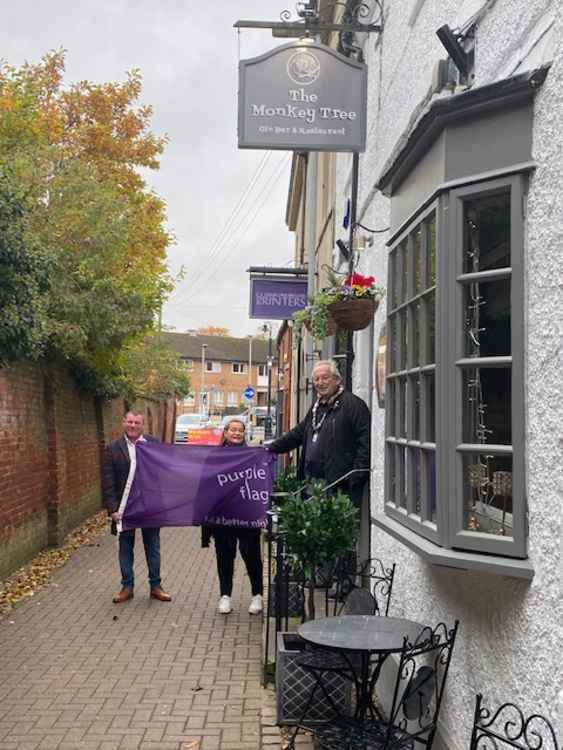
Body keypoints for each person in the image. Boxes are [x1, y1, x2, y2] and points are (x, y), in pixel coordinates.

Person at [269, 360, 370, 505]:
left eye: (325, 377)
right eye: (316, 379)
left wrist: (356, 478)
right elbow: (298, 433)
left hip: (338, 486)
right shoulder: (317, 407)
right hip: (311, 483)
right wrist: (272, 448)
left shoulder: (353, 405)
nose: (320, 382)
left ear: (337, 379)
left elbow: (365, 442)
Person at [102, 411, 172, 604]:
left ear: (143, 425)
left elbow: (165, 473)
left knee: (153, 547)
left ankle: (156, 587)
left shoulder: (154, 444)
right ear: (124, 423)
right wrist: (113, 509)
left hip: (150, 506)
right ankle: (127, 586)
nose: (132, 425)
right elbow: (108, 481)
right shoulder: (113, 449)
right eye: (129, 422)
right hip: (125, 508)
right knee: (125, 548)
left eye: (137, 422)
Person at [202, 419, 263, 615]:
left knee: (251, 555)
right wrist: (204, 515)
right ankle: (225, 596)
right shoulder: (214, 457)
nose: (236, 433)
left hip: (247, 516)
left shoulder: (252, 456)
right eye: (233, 430)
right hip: (223, 518)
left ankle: (257, 595)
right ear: (226, 433)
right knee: (225, 557)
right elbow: (206, 486)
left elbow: (260, 482)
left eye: (240, 430)